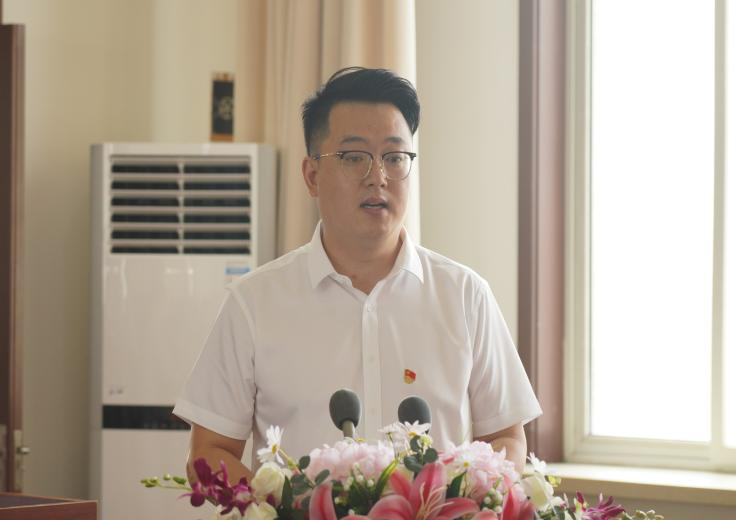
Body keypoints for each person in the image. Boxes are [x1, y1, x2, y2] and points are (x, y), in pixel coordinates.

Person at [173, 67, 542, 484]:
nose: (377, 177)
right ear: (312, 175)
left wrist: (467, 500)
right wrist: (279, 507)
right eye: (354, 157)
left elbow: (506, 437)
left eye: (394, 158)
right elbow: (209, 452)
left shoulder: (465, 295)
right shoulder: (254, 303)